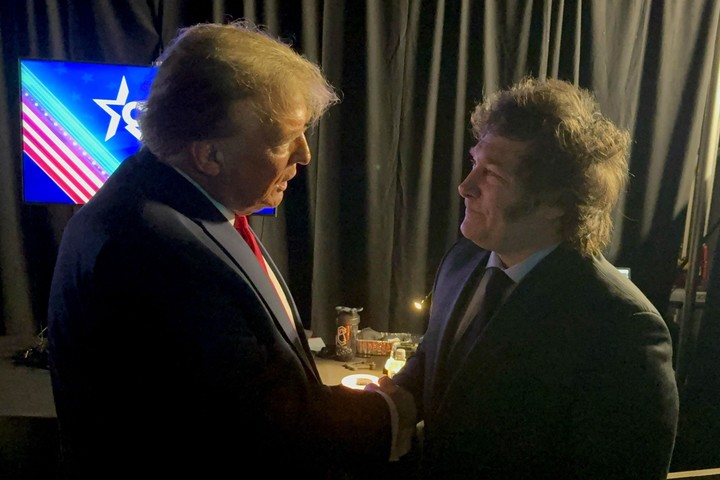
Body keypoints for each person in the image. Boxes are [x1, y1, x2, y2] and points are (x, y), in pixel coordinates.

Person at [47, 21, 414, 479]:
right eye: (282, 139)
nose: (304, 155)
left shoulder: (172, 202)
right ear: (208, 155)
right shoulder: (159, 252)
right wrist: (392, 412)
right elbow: (254, 438)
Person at [388, 77, 679, 479]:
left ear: (557, 204)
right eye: (475, 163)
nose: (465, 186)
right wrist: (390, 403)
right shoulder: (461, 261)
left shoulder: (623, 328)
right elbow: (437, 362)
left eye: (493, 175)